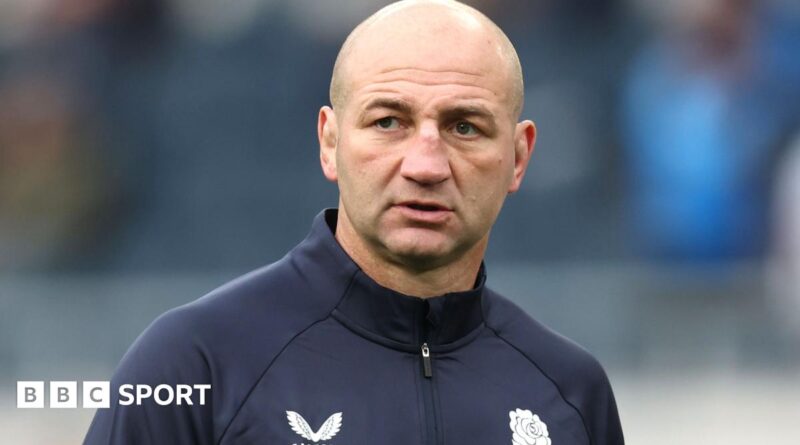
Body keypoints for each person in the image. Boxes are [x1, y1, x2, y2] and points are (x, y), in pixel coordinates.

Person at [84, 1, 624, 444]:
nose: (426, 166)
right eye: (388, 122)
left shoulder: (571, 394)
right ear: (330, 141)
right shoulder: (192, 366)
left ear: (519, 157)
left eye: (464, 127)